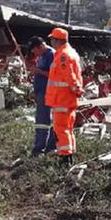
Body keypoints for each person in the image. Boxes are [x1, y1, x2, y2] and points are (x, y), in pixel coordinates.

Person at [44, 27, 83, 164]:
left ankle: (65, 158)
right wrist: (77, 91)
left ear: (56, 40)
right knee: (68, 129)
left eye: (52, 40)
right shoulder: (70, 53)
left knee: (61, 129)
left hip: (62, 99)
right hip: (67, 98)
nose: (51, 42)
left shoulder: (63, 55)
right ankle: (69, 155)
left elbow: (69, 76)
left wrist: (76, 89)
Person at [26, 37, 57, 156]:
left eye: (35, 51)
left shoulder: (51, 55)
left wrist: (38, 72)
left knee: (44, 121)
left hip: (48, 92)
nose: (34, 54)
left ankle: (45, 147)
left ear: (41, 46)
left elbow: (54, 75)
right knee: (41, 121)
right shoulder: (42, 56)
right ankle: (39, 146)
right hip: (41, 92)